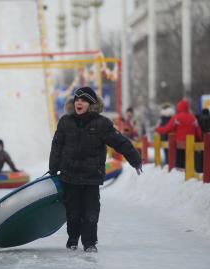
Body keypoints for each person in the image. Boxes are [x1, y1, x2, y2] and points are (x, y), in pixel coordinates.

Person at [49, 86, 142, 253]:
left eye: (83, 100)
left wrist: (135, 159)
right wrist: (53, 168)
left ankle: (90, 242)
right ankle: (72, 239)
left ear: (91, 104)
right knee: (73, 211)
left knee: (91, 212)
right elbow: (57, 146)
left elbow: (120, 141)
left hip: (91, 176)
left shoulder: (102, 124)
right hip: (70, 175)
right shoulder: (65, 122)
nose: (79, 102)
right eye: (77, 99)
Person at [155, 99, 202, 169]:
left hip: (178, 146)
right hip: (191, 146)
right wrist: (199, 142)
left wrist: (157, 129)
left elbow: (166, 129)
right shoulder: (193, 118)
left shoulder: (176, 118)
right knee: (190, 166)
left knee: (179, 167)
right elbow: (199, 133)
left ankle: (180, 178)